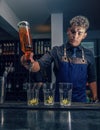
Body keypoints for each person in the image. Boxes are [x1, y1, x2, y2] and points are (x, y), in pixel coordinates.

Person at [21, 15, 98, 102]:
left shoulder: (89, 54)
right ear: (68, 31)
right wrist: (30, 64)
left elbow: (92, 79)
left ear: (84, 35)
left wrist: (95, 97)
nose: (75, 36)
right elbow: (39, 65)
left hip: (81, 101)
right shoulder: (56, 51)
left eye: (79, 33)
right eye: (73, 31)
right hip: (59, 101)